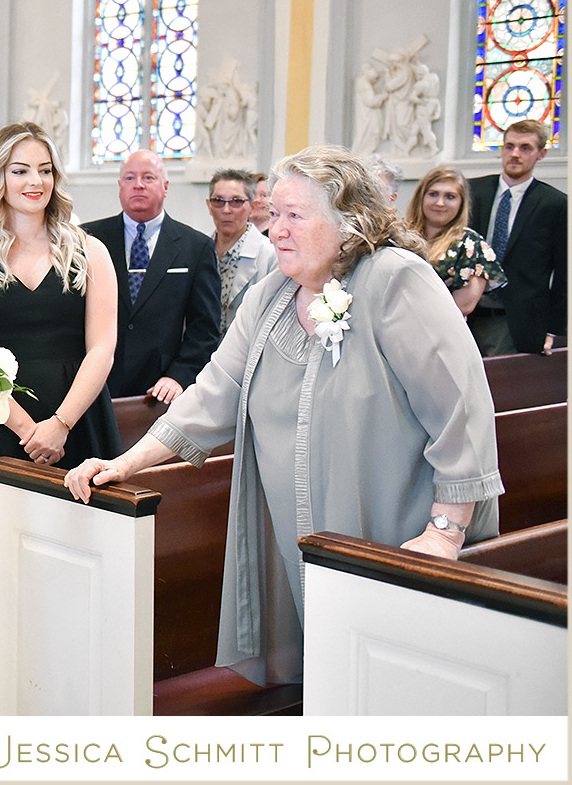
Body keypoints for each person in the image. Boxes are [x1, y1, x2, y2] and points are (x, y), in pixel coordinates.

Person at [65, 145, 504, 688]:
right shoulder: (271, 293)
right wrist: (127, 462)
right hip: (293, 538)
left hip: (389, 532)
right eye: (274, 215)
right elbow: (214, 392)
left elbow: (460, 409)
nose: (276, 230)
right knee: (326, 683)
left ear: (350, 222)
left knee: (393, 687)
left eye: (295, 215)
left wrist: (444, 533)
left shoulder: (395, 280)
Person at [0, 121, 122, 620]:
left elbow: (103, 347)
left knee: (79, 561)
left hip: (76, 418)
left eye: (45, 170)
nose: (35, 181)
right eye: (20, 170)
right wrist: (26, 427)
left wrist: (60, 424)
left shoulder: (88, 249)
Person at [82, 150, 222, 403]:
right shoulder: (87, 239)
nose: (138, 185)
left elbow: (205, 329)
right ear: (119, 186)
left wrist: (179, 376)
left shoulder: (195, 247)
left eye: (148, 178)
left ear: (165, 186)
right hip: (94, 384)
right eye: (129, 178)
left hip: (160, 389)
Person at [466, 119, 567, 355]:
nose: (515, 154)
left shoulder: (555, 204)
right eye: (509, 146)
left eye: (525, 148)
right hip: (469, 309)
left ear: (541, 153)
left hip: (517, 319)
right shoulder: (472, 191)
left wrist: (554, 329)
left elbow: (564, 273)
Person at [406, 166, 505, 318]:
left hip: (439, 330)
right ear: (421, 197)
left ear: (461, 203)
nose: (440, 203)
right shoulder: (401, 236)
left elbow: (464, 306)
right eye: (433, 194)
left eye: (450, 197)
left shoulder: (471, 244)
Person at [206, 169, 278, 331]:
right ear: (209, 206)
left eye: (236, 201)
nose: (226, 210)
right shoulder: (197, 251)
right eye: (218, 201)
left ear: (252, 207)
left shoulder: (269, 255)